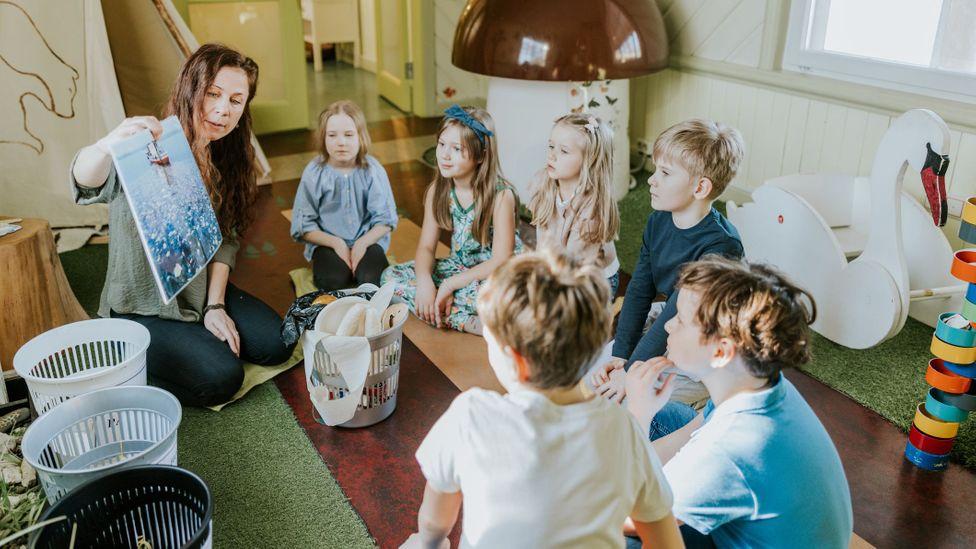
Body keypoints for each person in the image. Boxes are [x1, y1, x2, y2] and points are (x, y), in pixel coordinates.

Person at [401, 251, 682, 549]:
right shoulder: (624, 429)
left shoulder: (471, 415)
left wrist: (430, 543)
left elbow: (433, 523)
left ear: (517, 361)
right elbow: (667, 543)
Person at [71, 43, 294, 406]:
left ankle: (195, 336)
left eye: (236, 101)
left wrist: (216, 305)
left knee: (278, 342)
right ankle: (129, 352)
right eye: (213, 94)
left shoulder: (227, 156)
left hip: (199, 292)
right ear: (192, 89)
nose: (223, 110)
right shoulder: (146, 145)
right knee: (222, 377)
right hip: (142, 309)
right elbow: (86, 180)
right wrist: (106, 145)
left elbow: (228, 238)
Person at [624, 257, 853, 548]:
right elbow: (684, 441)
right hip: (747, 510)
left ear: (721, 352)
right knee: (666, 416)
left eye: (681, 320)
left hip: (726, 484)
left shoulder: (729, 447)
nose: (668, 325)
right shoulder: (752, 388)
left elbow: (628, 517)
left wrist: (637, 417)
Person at [593, 119, 745, 407]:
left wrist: (629, 374)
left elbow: (678, 311)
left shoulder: (722, 248)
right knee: (593, 377)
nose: (652, 179)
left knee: (629, 403)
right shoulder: (659, 219)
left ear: (700, 187)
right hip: (672, 322)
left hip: (705, 341)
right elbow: (639, 288)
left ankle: (705, 399)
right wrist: (622, 356)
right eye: (655, 169)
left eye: (664, 173)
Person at [381, 105, 522, 335]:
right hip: (460, 268)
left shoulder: (501, 195)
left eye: (457, 148)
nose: (444, 155)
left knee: (507, 299)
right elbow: (426, 247)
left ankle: (453, 313)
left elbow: (500, 261)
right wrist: (425, 281)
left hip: (497, 276)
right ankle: (466, 320)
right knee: (390, 279)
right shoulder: (438, 190)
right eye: (442, 144)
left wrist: (449, 284)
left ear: (480, 155)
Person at [290, 99, 398, 291]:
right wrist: (336, 243)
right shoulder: (315, 173)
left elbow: (386, 220)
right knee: (333, 281)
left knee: (372, 279)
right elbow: (303, 225)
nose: (341, 142)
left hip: (367, 239)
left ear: (360, 137)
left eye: (349, 135)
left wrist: (362, 244)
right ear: (323, 138)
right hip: (328, 242)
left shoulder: (372, 170)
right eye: (332, 135)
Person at [529, 113, 620, 297]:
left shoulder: (592, 208)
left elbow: (575, 264)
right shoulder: (544, 184)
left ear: (588, 161)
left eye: (564, 151)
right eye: (551, 146)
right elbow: (543, 242)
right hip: (559, 267)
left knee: (557, 316)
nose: (552, 155)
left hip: (592, 279)